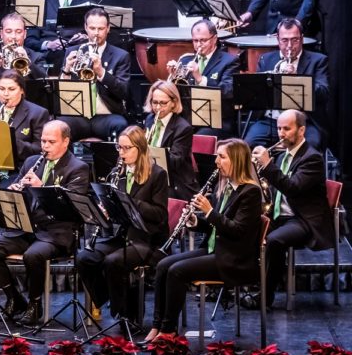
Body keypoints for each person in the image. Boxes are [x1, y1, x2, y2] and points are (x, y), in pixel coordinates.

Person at [145, 139, 263, 341]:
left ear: (237, 160)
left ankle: (168, 329)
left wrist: (209, 211)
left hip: (234, 259)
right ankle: (156, 325)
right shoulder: (225, 187)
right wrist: (194, 222)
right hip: (216, 250)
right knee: (163, 264)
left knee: (177, 271)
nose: (216, 161)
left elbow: (237, 231)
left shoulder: (250, 192)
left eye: (222, 157)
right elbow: (214, 226)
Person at [0, 120, 90, 325]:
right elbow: (17, 193)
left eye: (51, 142)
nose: (44, 146)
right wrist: (13, 194)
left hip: (56, 233)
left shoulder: (78, 168)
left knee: (33, 255)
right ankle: (14, 298)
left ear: (65, 142)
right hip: (27, 229)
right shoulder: (31, 162)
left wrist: (42, 186)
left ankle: (35, 304)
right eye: (43, 141)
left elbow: (69, 207)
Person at [76, 126, 168, 330]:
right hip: (122, 236)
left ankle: (123, 314)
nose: (121, 153)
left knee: (113, 261)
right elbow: (116, 214)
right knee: (84, 257)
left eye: (127, 148)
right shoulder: (117, 174)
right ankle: (108, 296)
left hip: (146, 239)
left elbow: (160, 215)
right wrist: (107, 210)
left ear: (140, 149)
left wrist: (130, 202)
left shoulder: (157, 175)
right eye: (119, 148)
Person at [249, 110, 331, 309]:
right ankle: (235, 287)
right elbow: (275, 189)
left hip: (304, 219)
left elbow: (292, 188)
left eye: (287, 128)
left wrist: (267, 164)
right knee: (243, 227)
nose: (281, 133)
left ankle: (265, 299)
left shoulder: (312, 158)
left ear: (301, 130)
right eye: (279, 128)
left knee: (275, 241)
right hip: (281, 215)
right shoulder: (282, 156)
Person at [245, 17, 329, 149]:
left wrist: (296, 78)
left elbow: (323, 93)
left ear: (301, 38)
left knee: (310, 147)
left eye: (294, 40)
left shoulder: (318, 60)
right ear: (277, 39)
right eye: (284, 40)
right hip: (271, 121)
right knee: (247, 145)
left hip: (303, 123)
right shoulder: (266, 59)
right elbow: (257, 97)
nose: (289, 46)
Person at [59, 7, 131, 141]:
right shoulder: (72, 51)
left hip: (107, 115)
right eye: (92, 28)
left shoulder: (120, 56)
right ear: (85, 27)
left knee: (121, 125)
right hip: (78, 115)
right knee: (59, 127)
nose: (96, 33)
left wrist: (101, 72)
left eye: (101, 29)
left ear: (108, 28)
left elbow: (123, 92)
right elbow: (62, 93)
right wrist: (66, 70)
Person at [165, 18, 238, 135]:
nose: (199, 45)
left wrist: (200, 79)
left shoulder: (229, 61)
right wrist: (173, 77)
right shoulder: (185, 59)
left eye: (203, 40)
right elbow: (176, 95)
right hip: (188, 118)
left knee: (195, 138)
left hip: (217, 120)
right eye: (195, 41)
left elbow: (228, 91)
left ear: (214, 39)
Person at [142, 81, 199, 200]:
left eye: (163, 103)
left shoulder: (183, 128)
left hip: (175, 181)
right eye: (155, 102)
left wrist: (151, 153)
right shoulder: (149, 119)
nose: (158, 107)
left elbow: (174, 161)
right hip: (151, 174)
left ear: (173, 103)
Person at [28, 0, 87, 69]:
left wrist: (85, 37)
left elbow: (96, 38)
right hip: (47, 60)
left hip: (78, 60)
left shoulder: (87, 4)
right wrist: (48, 45)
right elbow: (29, 40)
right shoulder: (41, 3)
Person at [0, 69, 50, 162]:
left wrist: (10, 139)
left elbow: (39, 149)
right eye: (2, 89)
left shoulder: (38, 113)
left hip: (19, 169)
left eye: (11, 89)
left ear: (22, 90)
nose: (6, 94)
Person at [0, 12, 46, 83]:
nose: (13, 36)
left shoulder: (37, 57)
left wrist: (28, 62)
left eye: (18, 32)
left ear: (25, 34)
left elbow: (45, 81)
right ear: (1, 34)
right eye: (8, 31)